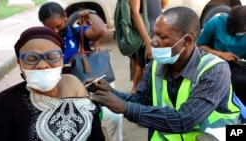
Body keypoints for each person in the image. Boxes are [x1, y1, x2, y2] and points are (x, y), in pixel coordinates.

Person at [87, 6, 240, 141]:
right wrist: (111, 92)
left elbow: (185, 119)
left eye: (163, 37)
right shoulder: (155, 66)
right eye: (154, 34)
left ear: (186, 41)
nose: (153, 41)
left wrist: (125, 108)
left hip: (211, 136)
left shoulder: (215, 70)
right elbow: (142, 100)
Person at [0, 26, 105, 141]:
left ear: (62, 60)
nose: (42, 65)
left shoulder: (75, 86)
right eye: (31, 58)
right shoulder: (4, 104)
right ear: (20, 63)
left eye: (52, 56)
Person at [38, 2, 123, 141]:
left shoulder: (77, 32)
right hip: (67, 90)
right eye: (50, 28)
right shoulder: (46, 41)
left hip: (91, 81)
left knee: (114, 118)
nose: (55, 31)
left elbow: (100, 30)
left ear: (65, 16)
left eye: (58, 26)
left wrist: (90, 12)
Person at [196, 5, 246, 105]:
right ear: (236, 25)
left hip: (237, 65)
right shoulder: (217, 23)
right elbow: (199, 45)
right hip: (215, 63)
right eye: (244, 29)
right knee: (235, 81)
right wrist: (221, 54)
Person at [129, 0, 162, 93]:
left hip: (152, 33)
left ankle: (135, 96)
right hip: (147, 35)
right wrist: (148, 42)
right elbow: (134, 13)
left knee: (142, 68)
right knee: (145, 69)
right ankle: (135, 97)